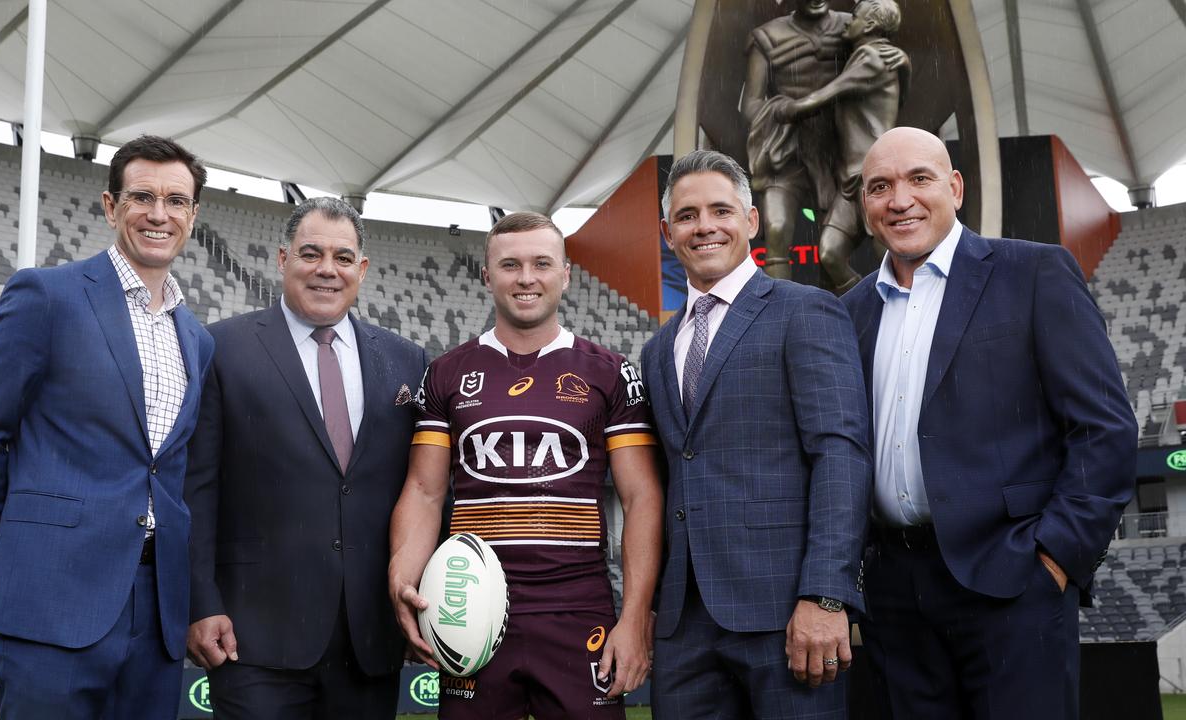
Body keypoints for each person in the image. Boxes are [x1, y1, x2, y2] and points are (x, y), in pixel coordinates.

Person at [840, 127, 1138, 719]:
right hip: (895, 595)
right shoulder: (849, 310)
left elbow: (1104, 429)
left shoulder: (1033, 273)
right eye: (880, 187)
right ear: (865, 206)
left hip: (1014, 582)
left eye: (918, 179)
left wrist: (1053, 560)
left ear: (954, 186)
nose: (899, 200)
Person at [0, 135, 215, 718]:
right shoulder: (47, 295)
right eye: (142, 196)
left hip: (156, 609)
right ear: (111, 205)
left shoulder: (197, 338)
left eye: (175, 201)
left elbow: (173, 471)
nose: (159, 214)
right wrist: (20, 542)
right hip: (51, 595)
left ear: (193, 215)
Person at [389, 211, 663, 720]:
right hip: (468, 608)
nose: (526, 277)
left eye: (542, 263)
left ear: (565, 274)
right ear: (487, 276)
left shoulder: (611, 373)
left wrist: (634, 617)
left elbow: (642, 496)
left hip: (579, 608)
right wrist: (401, 579)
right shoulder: (446, 373)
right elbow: (424, 491)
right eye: (510, 265)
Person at [642, 149, 872, 719]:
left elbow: (839, 457)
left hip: (788, 614)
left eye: (721, 210)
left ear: (749, 221)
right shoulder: (655, 350)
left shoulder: (807, 311)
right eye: (688, 215)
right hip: (684, 625)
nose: (705, 226)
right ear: (668, 232)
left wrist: (825, 594)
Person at [183, 196, 426, 719]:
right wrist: (201, 601)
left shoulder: (407, 359)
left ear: (361, 268)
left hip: (368, 638)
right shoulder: (220, 348)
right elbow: (197, 490)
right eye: (310, 253)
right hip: (253, 636)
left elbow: (423, 490)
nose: (326, 270)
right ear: (282, 259)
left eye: (342, 257)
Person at [771, 0, 909, 294]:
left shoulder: (872, 57)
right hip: (851, 179)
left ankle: (906, 306)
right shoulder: (877, 57)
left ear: (870, 26)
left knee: (890, 253)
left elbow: (826, 94)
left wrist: (789, 108)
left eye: (855, 17)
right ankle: (864, 307)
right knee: (830, 253)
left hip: (875, 176)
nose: (848, 22)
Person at [742, 0, 852, 282]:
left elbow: (877, 74)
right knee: (776, 229)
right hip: (786, 150)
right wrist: (785, 110)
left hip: (837, 153)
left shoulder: (852, 26)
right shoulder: (766, 37)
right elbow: (751, 104)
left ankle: (845, 315)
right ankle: (781, 317)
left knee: (832, 244)